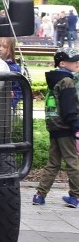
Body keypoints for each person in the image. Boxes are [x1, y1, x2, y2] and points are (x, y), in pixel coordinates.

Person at [33, 50, 79, 208]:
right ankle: (76, 196)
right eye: (73, 61)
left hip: (53, 126)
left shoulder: (53, 81)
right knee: (73, 162)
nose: (76, 63)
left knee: (53, 162)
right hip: (66, 127)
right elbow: (68, 108)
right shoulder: (67, 81)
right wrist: (76, 126)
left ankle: (40, 195)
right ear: (62, 64)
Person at [0, 37, 22, 112]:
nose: (0, 49)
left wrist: (11, 103)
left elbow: (18, 90)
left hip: (7, 108)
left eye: (5, 47)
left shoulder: (15, 68)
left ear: (11, 49)